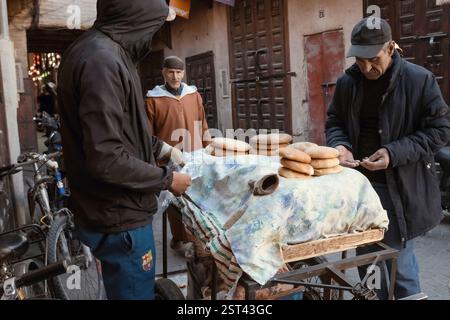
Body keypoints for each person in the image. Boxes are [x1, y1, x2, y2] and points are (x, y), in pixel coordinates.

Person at [57, 0, 191, 300]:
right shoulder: (102, 61)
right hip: (120, 216)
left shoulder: (93, 50)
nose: (151, 37)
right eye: (151, 28)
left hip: (107, 210)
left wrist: (162, 148)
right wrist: (167, 179)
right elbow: (106, 158)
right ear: (135, 18)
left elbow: (122, 130)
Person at [326, 17, 450, 299]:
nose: (367, 68)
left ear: (391, 48)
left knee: (399, 263)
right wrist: (341, 145)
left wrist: (394, 153)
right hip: (359, 188)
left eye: (373, 59)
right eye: (360, 60)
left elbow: (440, 130)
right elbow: (334, 122)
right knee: (368, 263)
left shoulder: (419, 80)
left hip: (400, 188)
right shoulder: (348, 82)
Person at [145, 56, 210, 255]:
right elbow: (148, 133)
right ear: (164, 73)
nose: (175, 76)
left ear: (184, 73)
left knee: (198, 198)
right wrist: (153, 161)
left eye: (179, 72)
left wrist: (208, 148)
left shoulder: (193, 95)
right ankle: (180, 238)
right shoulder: (153, 99)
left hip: (196, 153)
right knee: (175, 200)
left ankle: (195, 238)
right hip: (169, 157)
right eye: (171, 72)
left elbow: (203, 122)